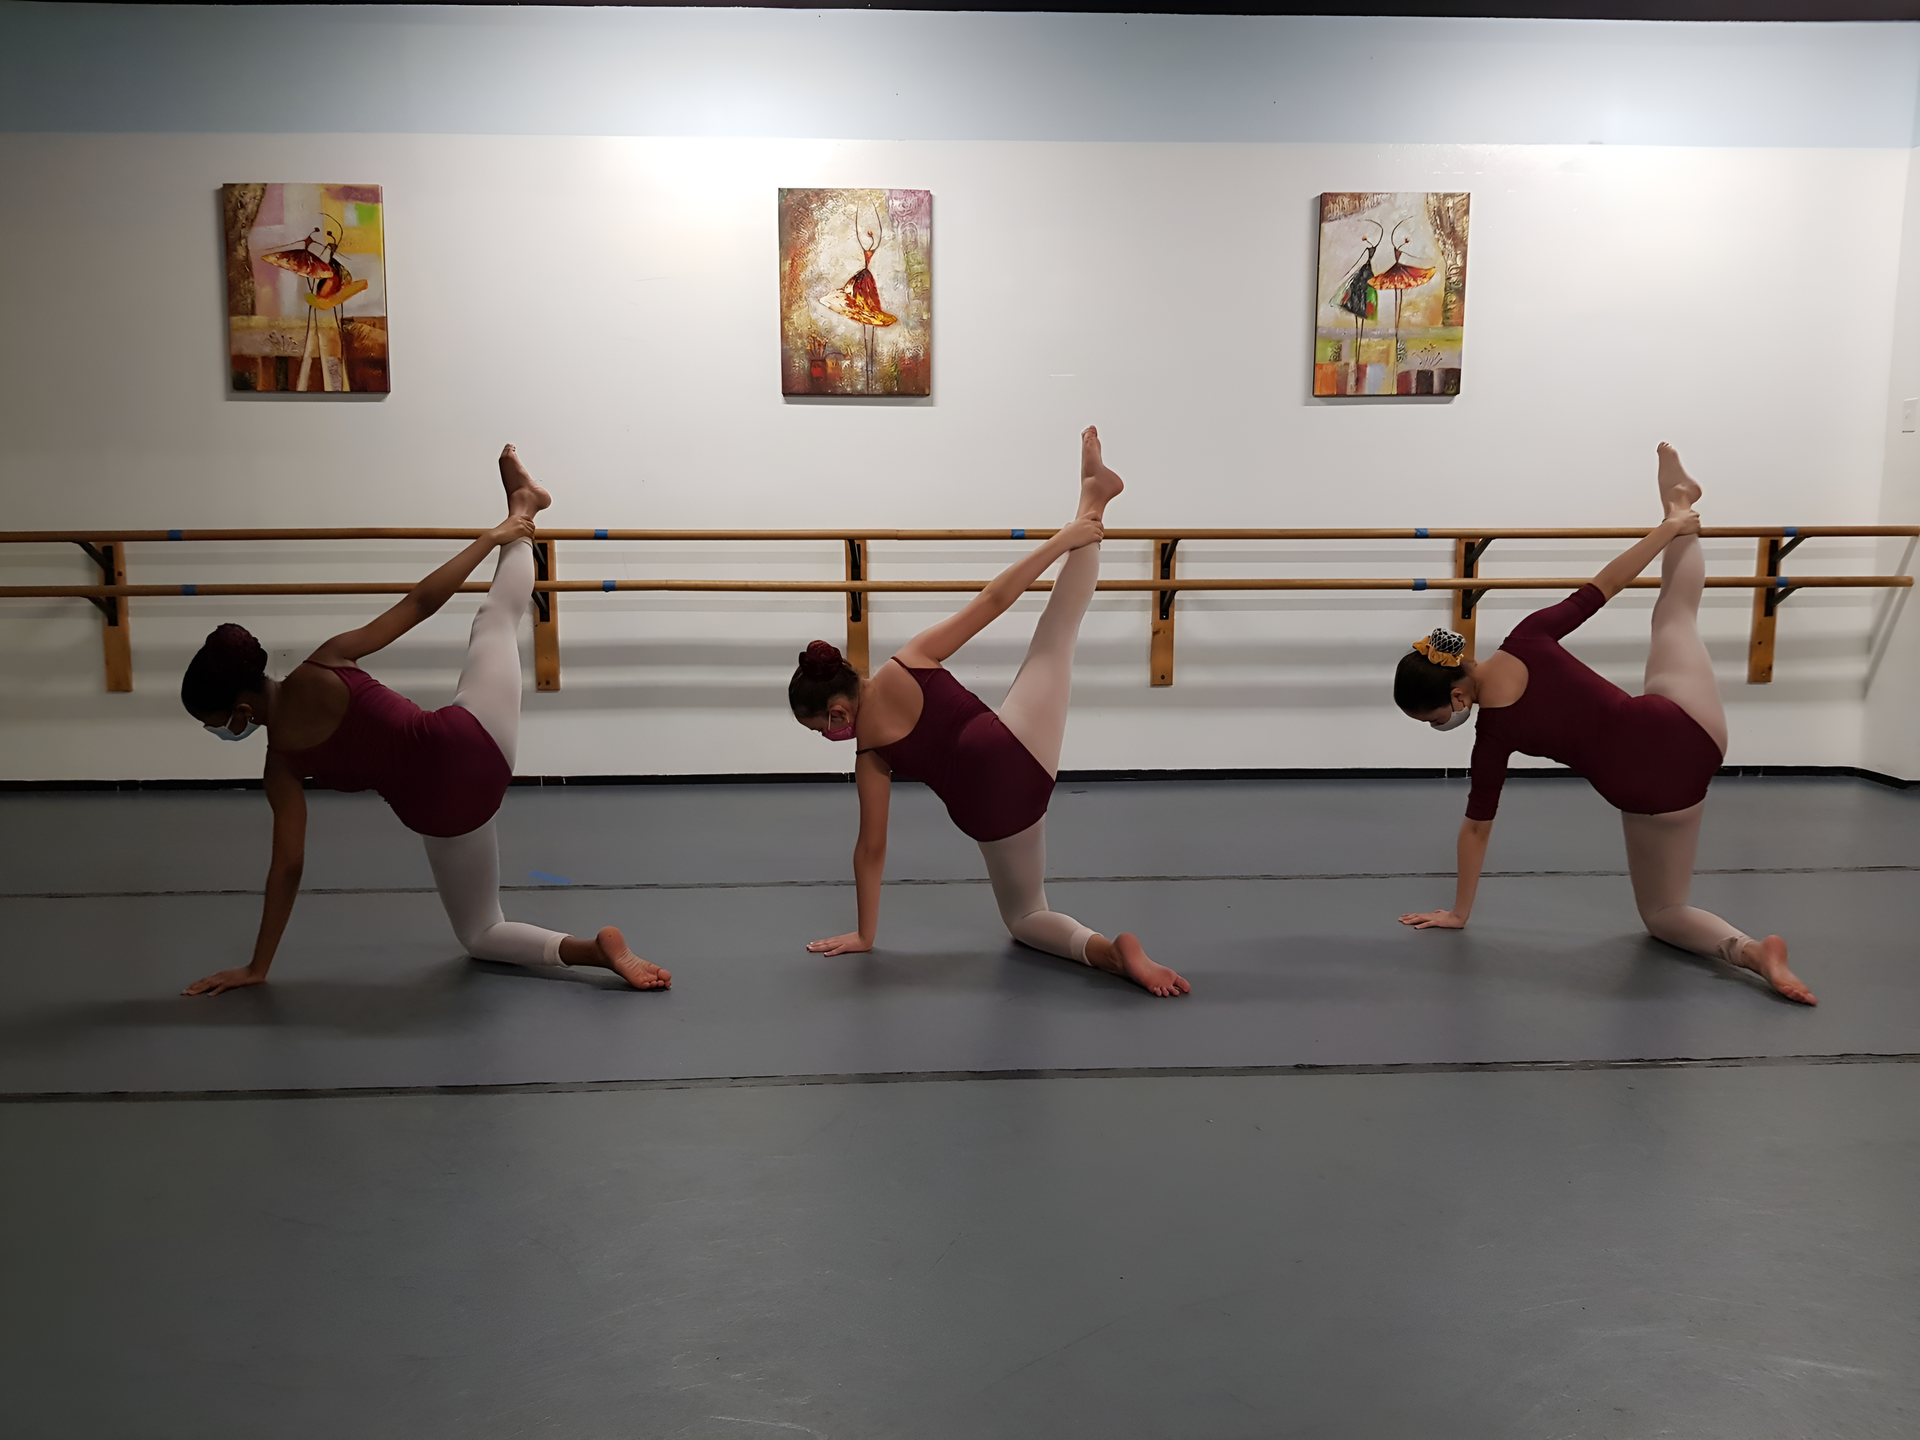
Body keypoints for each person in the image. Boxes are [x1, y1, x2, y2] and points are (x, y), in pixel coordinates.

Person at [178, 446, 670, 996]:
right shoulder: (327, 660)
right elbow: (419, 602)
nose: (217, 731)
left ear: (241, 711)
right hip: (478, 743)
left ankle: (589, 953)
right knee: (496, 620)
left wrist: (257, 967)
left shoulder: (281, 767)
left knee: (482, 932)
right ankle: (524, 513)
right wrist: (495, 535)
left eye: (214, 721)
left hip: (443, 813)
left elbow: (287, 869)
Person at [1392, 443, 1813, 1006]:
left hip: (1653, 795)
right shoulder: (1528, 637)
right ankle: (1680, 508)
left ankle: (1751, 951)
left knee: (1664, 913)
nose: (1439, 725)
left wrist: (1459, 912)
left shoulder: (1491, 737)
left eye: (1434, 717)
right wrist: (1666, 530)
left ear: (1458, 693)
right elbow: (1607, 584)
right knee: (1675, 612)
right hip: (1691, 726)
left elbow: (1477, 828)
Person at [788, 427, 1189, 997]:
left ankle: (1108, 953)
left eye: (820, 729)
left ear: (835, 711)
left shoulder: (870, 755)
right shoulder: (909, 661)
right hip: (1015, 744)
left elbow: (871, 850)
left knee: (1026, 918)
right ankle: (1092, 503)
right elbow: (994, 600)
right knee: (1058, 632)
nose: (829, 737)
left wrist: (865, 933)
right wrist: (1063, 539)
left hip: (992, 813)